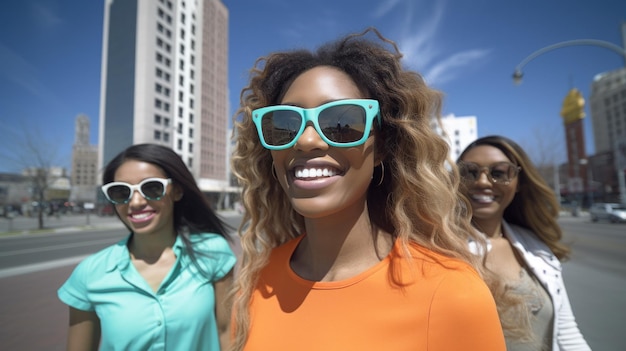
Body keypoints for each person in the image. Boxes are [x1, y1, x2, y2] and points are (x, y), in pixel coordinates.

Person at [229, 27, 505, 350]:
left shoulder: (452, 293)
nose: (305, 140)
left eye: (340, 123)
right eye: (284, 125)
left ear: (382, 147)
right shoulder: (256, 282)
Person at [58, 143, 236, 351]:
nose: (135, 202)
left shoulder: (212, 252)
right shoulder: (90, 274)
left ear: (176, 191)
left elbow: (227, 333)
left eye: (151, 188)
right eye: (120, 191)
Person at [457, 135, 591, 351]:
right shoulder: (438, 247)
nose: (482, 181)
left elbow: (566, 333)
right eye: (470, 172)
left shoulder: (536, 247)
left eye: (499, 173)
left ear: (519, 183)